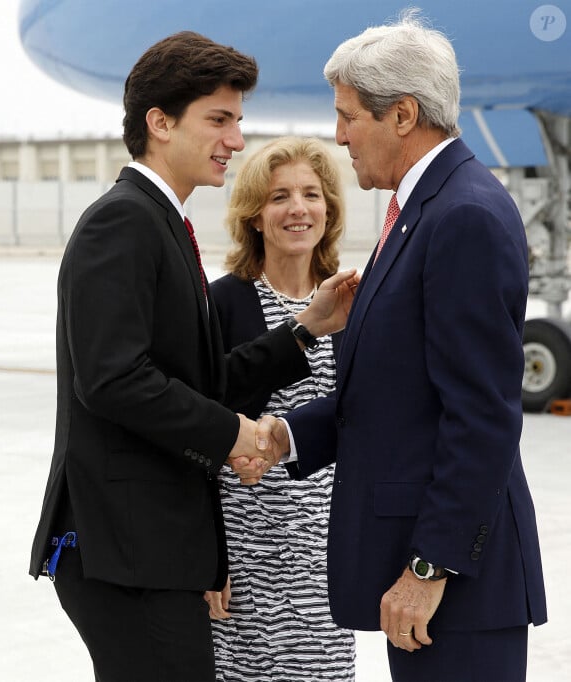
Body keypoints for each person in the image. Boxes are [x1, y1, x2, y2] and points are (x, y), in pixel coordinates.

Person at [28, 32, 358, 682]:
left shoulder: (165, 224)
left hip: (151, 553)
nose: (236, 139)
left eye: (237, 121)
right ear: (160, 123)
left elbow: (204, 383)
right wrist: (233, 431)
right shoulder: (122, 222)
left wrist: (303, 330)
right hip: (123, 554)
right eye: (219, 119)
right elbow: (113, 378)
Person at [234, 11, 548, 682]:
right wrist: (289, 436)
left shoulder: (460, 215)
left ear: (402, 115)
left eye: (349, 116)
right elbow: (395, 392)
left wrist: (429, 567)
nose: (339, 134)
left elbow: (482, 415)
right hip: (430, 583)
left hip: (457, 584)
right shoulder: (418, 211)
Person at [205, 136, 356, 681]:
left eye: (312, 194)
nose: (299, 208)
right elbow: (196, 432)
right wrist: (208, 559)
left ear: (329, 210)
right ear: (255, 217)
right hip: (242, 554)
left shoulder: (352, 303)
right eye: (279, 197)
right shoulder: (223, 302)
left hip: (325, 552)